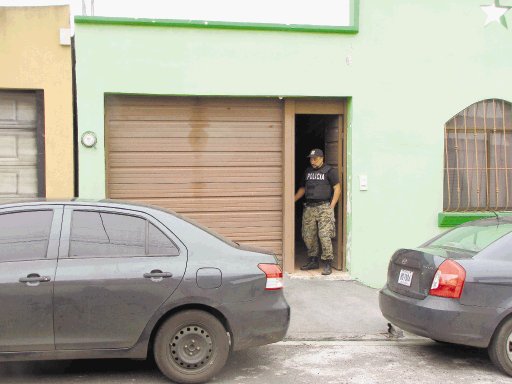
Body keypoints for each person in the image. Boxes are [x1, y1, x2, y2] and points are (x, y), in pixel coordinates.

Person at [294, 148, 341, 275]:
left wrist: (331, 206)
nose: (312, 161)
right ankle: (313, 260)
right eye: (311, 159)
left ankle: (327, 263)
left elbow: (337, 188)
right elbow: (303, 189)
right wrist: (292, 200)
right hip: (309, 207)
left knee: (324, 235)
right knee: (308, 235)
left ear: (322, 158)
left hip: (324, 207)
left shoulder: (330, 171)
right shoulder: (308, 172)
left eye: (315, 159)